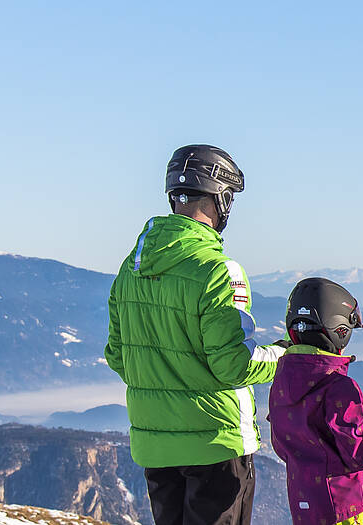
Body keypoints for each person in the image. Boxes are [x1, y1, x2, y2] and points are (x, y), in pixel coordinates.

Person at [105, 144, 286, 525]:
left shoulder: (130, 270)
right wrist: (284, 357)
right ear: (220, 198)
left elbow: (119, 355)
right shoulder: (218, 270)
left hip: (154, 444)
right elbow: (235, 364)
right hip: (216, 445)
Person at [268, 277, 363, 525]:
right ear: (340, 330)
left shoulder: (281, 382)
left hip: (304, 504)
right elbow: (359, 455)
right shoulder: (340, 388)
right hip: (342, 507)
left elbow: (281, 446)